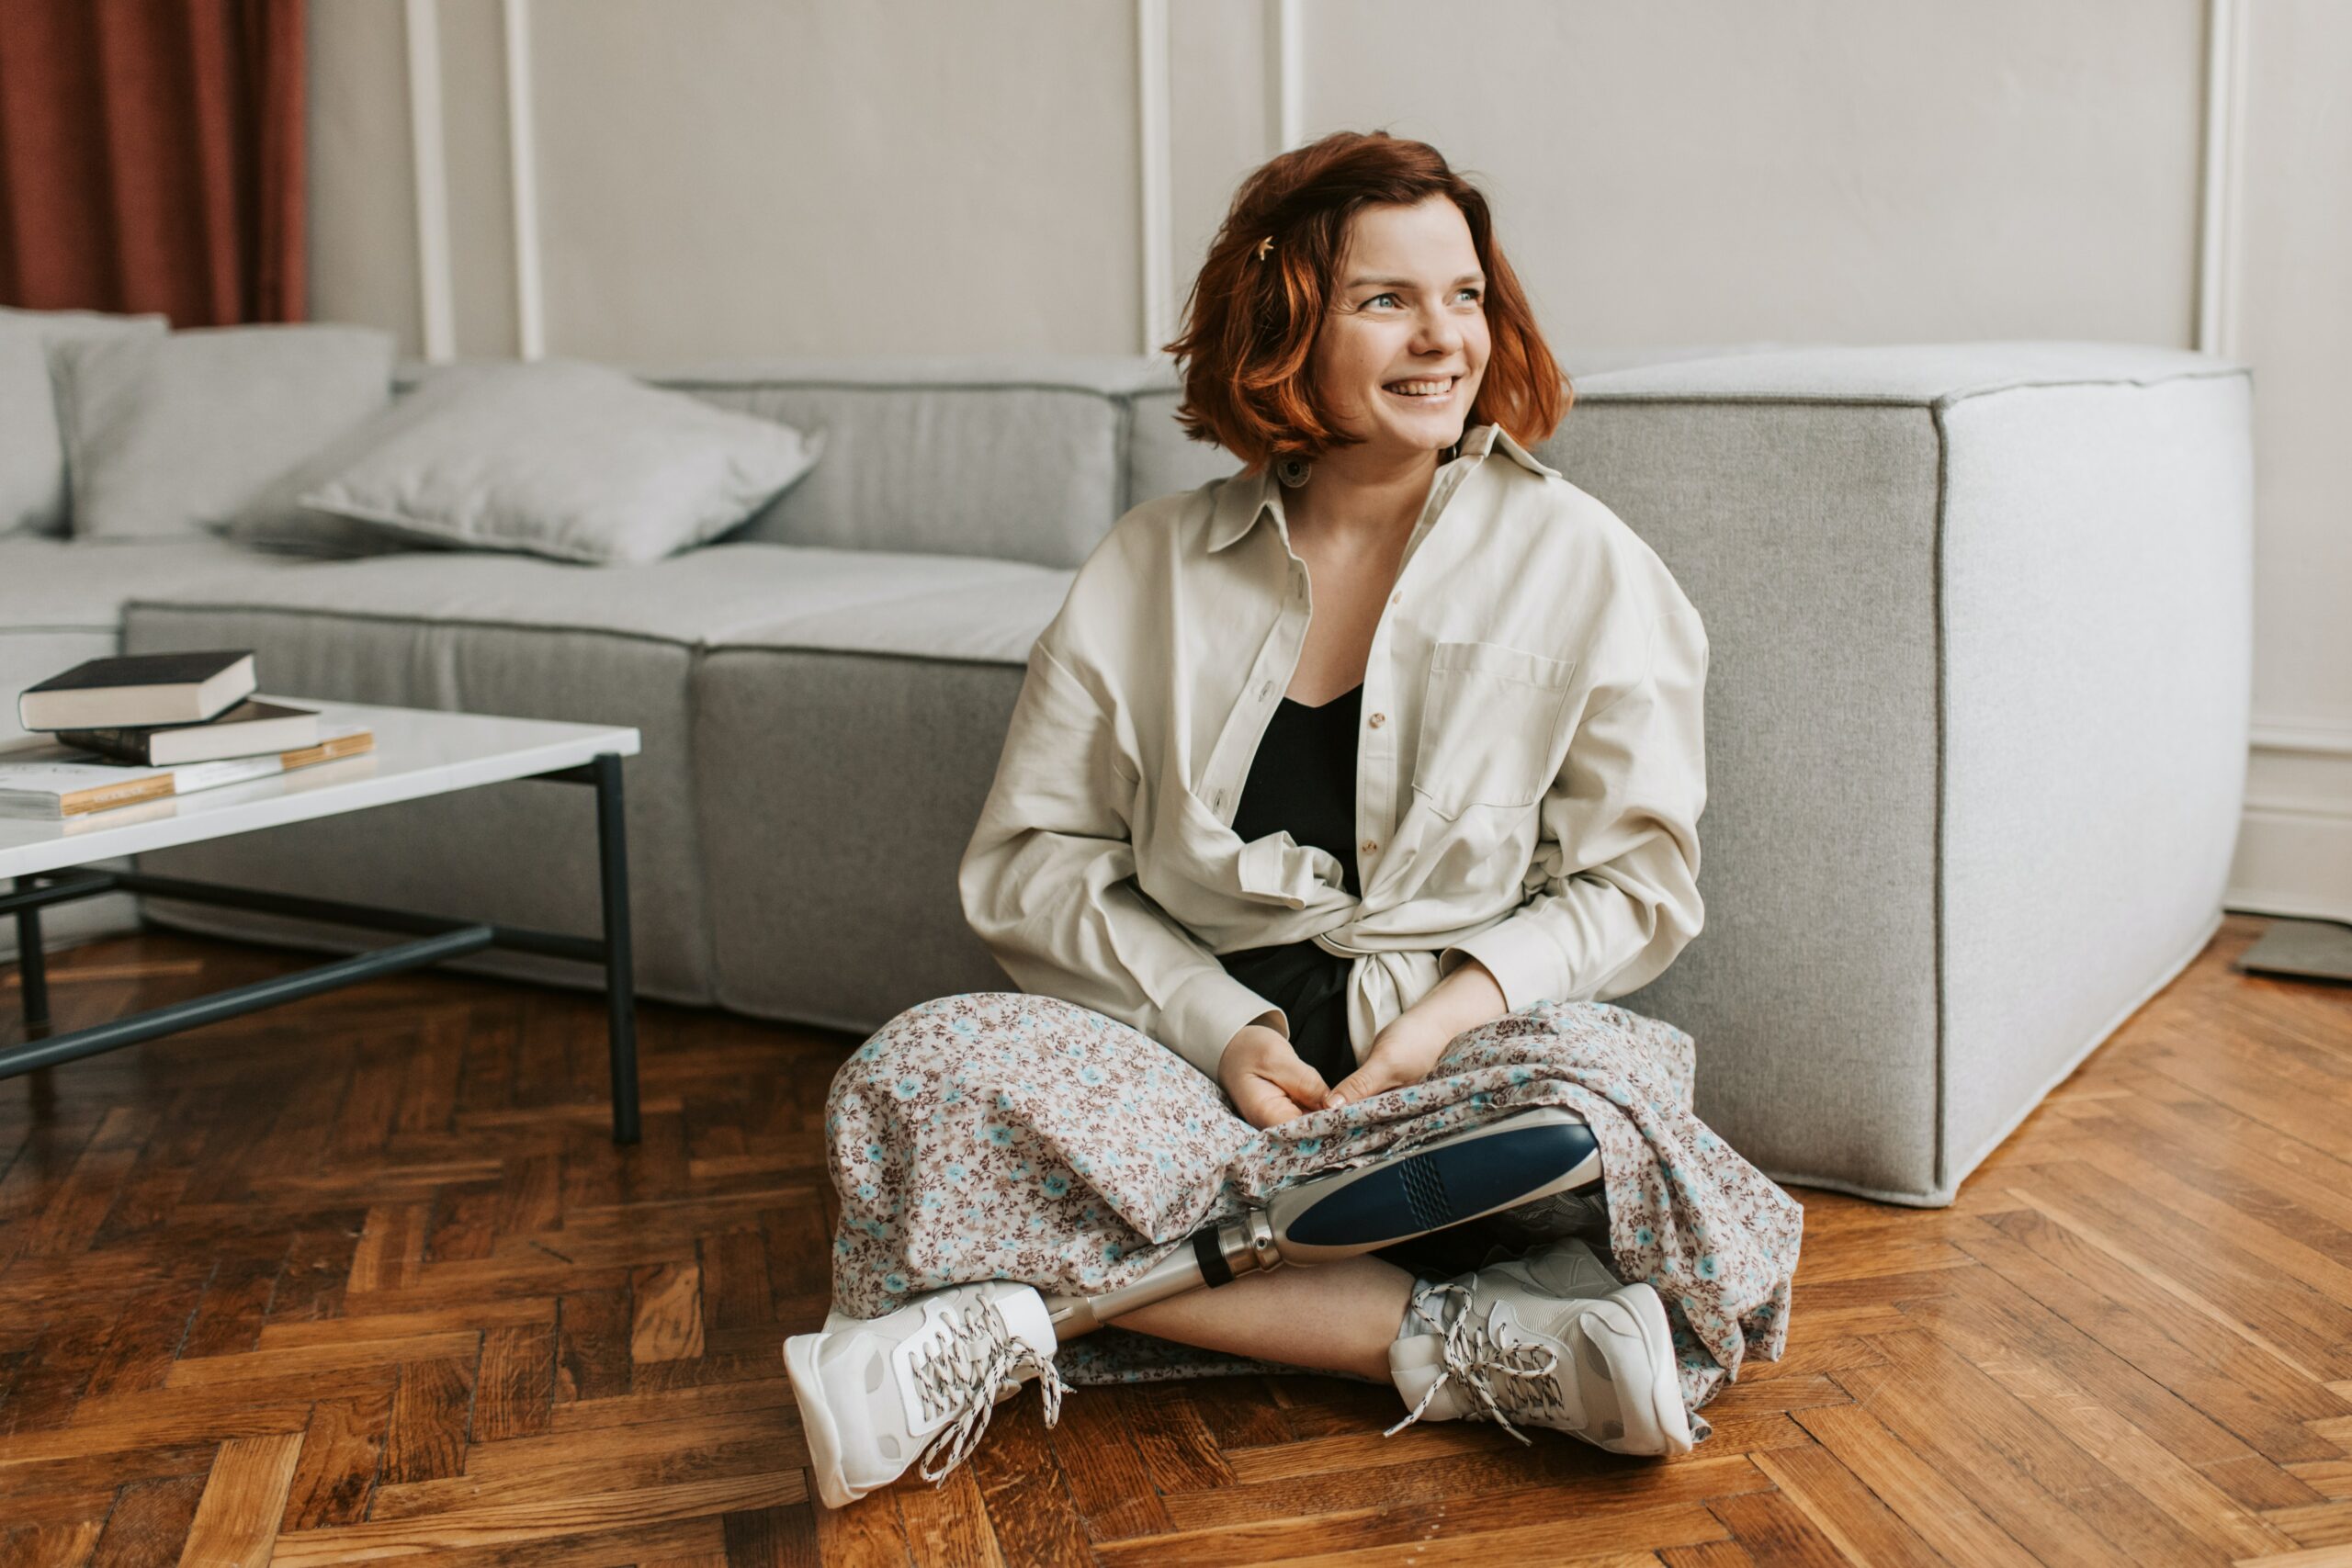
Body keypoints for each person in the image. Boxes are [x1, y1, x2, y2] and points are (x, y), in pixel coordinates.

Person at [786, 130, 1725, 1511]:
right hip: (1185, 1076)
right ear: (1286, 318)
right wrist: (1217, 1032)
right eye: (1386, 300)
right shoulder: (1147, 567)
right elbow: (1036, 860)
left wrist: (1437, 1027)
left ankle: (1025, 1312)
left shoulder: (1584, 562)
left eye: (1464, 296)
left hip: (1444, 1082)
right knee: (909, 1080)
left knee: (1612, 1099)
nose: (1442, 339)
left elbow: (1637, 883)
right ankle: (1471, 1342)